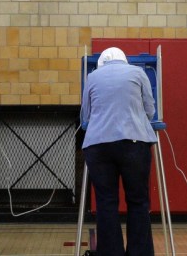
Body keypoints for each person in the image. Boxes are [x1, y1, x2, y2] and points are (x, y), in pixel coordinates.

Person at [80, 47, 158, 256]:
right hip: (134, 142)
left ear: (102, 63)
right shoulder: (138, 73)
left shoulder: (92, 77)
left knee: (106, 201)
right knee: (138, 201)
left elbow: (85, 116)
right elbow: (150, 110)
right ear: (124, 61)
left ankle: (110, 253)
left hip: (98, 145)